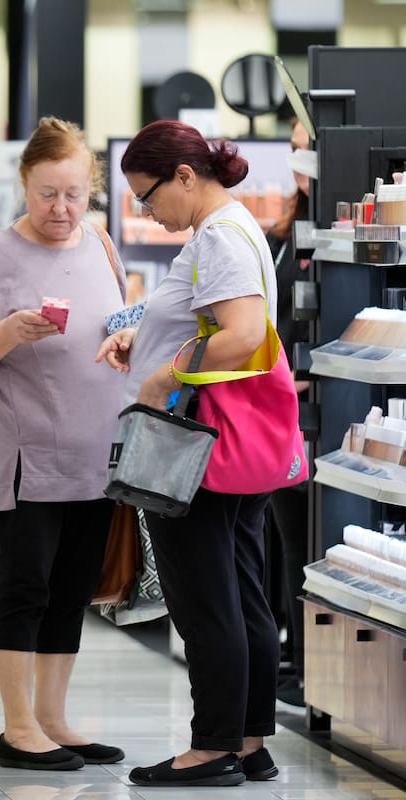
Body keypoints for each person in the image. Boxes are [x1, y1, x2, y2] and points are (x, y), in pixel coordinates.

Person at [97, 120, 282, 787]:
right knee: (240, 592)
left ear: (184, 176)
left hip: (199, 446)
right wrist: (139, 336)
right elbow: (205, 320)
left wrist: (163, 373)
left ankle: (212, 749)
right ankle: (249, 739)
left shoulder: (222, 238)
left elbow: (243, 335)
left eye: (149, 197)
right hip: (232, 444)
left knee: (206, 598)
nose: (149, 212)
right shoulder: (229, 230)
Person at [0, 117, 127, 772]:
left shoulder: (102, 242)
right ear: (25, 185)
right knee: (25, 587)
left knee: (73, 589)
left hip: (92, 453)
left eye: (74, 193)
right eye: (48, 193)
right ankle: (18, 728)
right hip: (25, 457)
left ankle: (53, 719)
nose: (61, 208)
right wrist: (8, 334)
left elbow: (118, 321)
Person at [263, 120, 313, 708]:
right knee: (290, 544)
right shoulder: (281, 233)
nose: (298, 157)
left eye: (309, 147)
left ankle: (309, 664)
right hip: (279, 414)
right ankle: (298, 660)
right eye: (293, 148)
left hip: (326, 413)